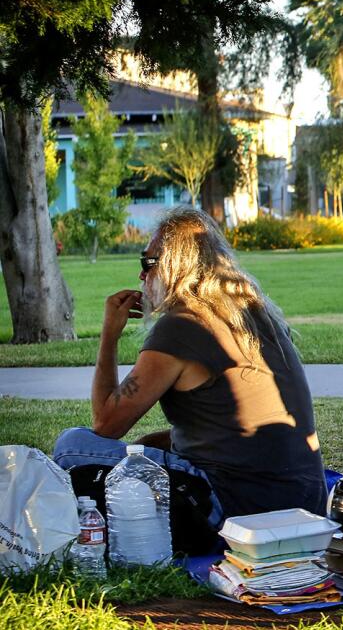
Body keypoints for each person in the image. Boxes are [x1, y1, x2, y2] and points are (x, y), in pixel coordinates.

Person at [53, 207, 327, 524]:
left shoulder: (182, 325)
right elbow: (219, 430)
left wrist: (109, 336)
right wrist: (143, 449)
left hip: (235, 505)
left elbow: (105, 425)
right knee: (145, 448)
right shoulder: (255, 314)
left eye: (148, 263)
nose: (142, 276)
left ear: (175, 266)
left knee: (71, 445)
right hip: (304, 501)